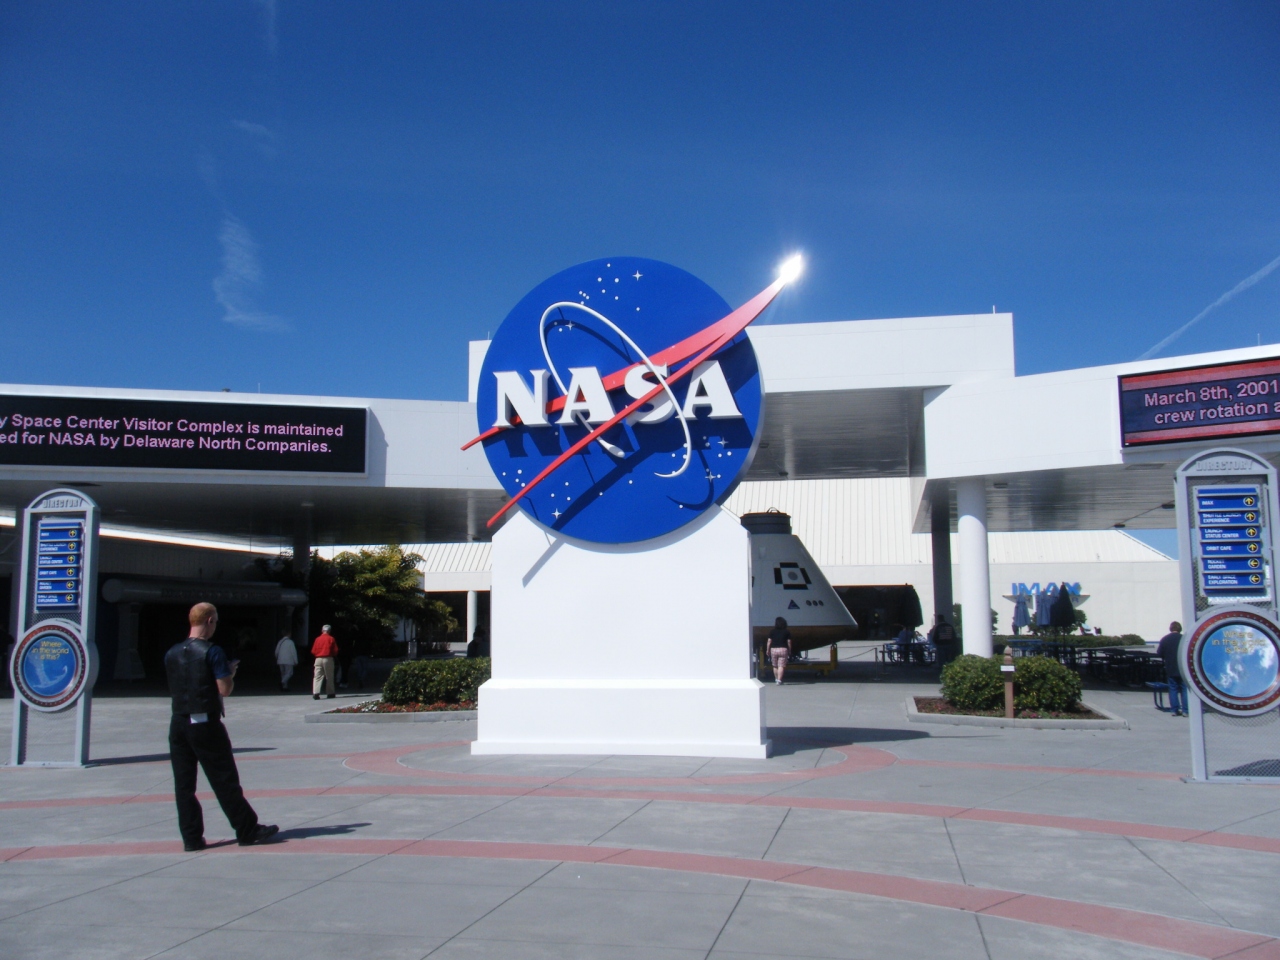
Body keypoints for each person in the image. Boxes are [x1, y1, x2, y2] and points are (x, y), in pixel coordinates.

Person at [164, 602, 278, 851]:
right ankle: (247, 829)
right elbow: (224, 689)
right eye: (215, 621)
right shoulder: (212, 652)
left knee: (184, 785)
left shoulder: (172, 652)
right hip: (205, 722)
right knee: (224, 779)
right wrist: (230, 673)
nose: (216, 625)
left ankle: (191, 838)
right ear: (209, 621)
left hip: (178, 721)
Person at [1156, 621, 1187, 716]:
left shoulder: (1165, 639)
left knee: (1173, 689)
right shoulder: (1184, 639)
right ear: (1180, 629)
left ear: (1170, 628)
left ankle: (1174, 710)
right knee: (1185, 689)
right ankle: (1186, 710)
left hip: (1170, 667)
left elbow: (1159, 653)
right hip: (1183, 668)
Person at [311, 623, 338, 700]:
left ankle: (316, 693)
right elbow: (335, 650)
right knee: (329, 676)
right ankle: (330, 693)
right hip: (328, 658)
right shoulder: (331, 639)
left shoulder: (317, 639)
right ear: (329, 631)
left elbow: (313, 651)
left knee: (317, 676)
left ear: (322, 630)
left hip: (318, 659)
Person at [767, 617, 792, 684]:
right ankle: (779, 680)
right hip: (783, 649)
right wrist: (789, 650)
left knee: (775, 665)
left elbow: (769, 641)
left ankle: (776, 679)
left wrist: (767, 650)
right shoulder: (787, 632)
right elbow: (789, 642)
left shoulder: (772, 631)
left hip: (774, 649)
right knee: (781, 665)